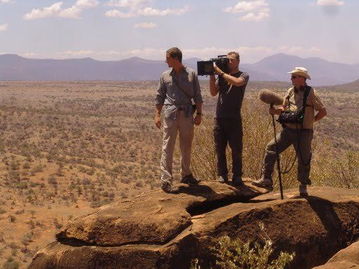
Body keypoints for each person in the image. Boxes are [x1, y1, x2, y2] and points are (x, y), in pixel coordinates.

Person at [253, 67, 327, 197]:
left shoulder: (311, 93)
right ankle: (266, 178)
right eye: (292, 77)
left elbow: (323, 112)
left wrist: (311, 121)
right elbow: (284, 108)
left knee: (303, 159)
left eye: (293, 77)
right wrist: (275, 111)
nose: (291, 79)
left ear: (301, 78)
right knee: (271, 148)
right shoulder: (290, 91)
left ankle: (303, 186)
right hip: (288, 130)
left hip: (304, 133)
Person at [155, 47, 203, 193]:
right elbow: (160, 96)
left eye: (167, 58)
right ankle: (166, 180)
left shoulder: (191, 74)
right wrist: (157, 114)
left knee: (186, 146)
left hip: (187, 114)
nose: (165, 61)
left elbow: (197, 95)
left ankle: (186, 175)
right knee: (167, 147)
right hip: (170, 114)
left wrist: (199, 114)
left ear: (175, 58)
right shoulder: (164, 76)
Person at [209, 52, 249, 186]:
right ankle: (222, 174)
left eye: (231, 60)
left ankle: (237, 175)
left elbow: (237, 83)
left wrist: (220, 73)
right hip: (219, 117)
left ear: (238, 61)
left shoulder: (243, 75)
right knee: (219, 148)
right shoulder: (222, 76)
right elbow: (213, 92)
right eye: (227, 60)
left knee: (236, 149)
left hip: (234, 118)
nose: (228, 62)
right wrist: (211, 75)